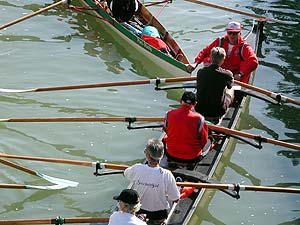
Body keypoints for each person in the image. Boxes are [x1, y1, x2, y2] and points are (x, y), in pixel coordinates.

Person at [124, 138, 180, 224]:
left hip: (139, 211)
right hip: (158, 215)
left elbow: (126, 173)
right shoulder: (167, 174)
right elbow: (175, 198)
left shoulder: (137, 168)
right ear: (162, 155)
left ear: (147, 155)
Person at [190, 21, 258, 83]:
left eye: (235, 33)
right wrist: (196, 63)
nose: (232, 35)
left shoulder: (245, 47)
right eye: (230, 33)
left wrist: (241, 73)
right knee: (207, 63)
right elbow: (205, 52)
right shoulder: (220, 41)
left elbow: (254, 62)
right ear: (227, 32)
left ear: (240, 33)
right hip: (220, 73)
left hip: (236, 78)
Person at [163, 91, 209, 163]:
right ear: (195, 104)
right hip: (193, 157)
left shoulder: (168, 114)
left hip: (171, 154)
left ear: (181, 100)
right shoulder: (199, 118)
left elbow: (166, 130)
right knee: (209, 140)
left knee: (165, 137)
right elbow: (204, 140)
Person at [195, 47, 234, 123]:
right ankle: (231, 108)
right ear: (223, 60)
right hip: (218, 112)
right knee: (231, 89)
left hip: (200, 110)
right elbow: (230, 86)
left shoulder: (200, 72)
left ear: (210, 58)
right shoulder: (227, 74)